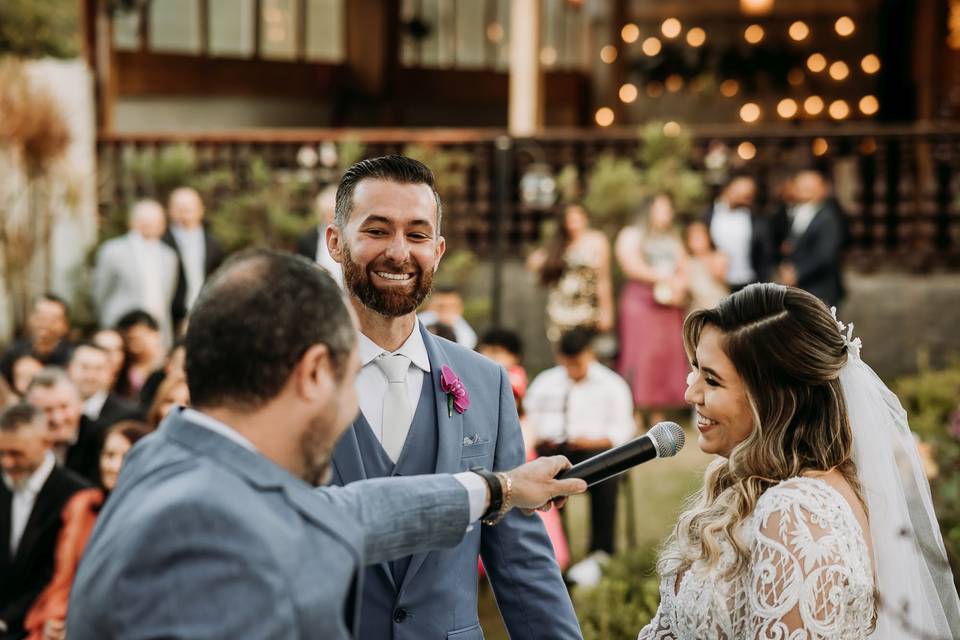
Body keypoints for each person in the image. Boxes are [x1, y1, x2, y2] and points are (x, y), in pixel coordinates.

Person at [66, 249, 585, 639]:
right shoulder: (211, 537)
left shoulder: (169, 459)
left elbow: (349, 513)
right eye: (350, 377)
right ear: (315, 372)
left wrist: (501, 488)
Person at [326, 156, 582, 638]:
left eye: (417, 235)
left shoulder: (487, 383)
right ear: (336, 242)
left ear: (438, 250)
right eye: (377, 231)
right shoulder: (291, 380)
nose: (399, 253)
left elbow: (521, 563)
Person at [638, 283, 960, 639]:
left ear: (773, 399)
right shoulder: (751, 487)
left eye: (712, 381)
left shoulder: (796, 512)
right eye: (695, 370)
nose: (690, 393)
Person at [524, 328, 636, 586]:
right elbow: (529, 420)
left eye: (578, 362)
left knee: (607, 471)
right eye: (568, 362)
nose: (573, 368)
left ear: (590, 355)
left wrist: (589, 441)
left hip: (594, 450)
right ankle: (551, 550)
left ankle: (601, 550)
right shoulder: (546, 382)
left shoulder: (611, 384)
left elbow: (621, 431)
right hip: (553, 449)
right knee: (535, 471)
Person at [23, 420, 150, 640]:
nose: (113, 466)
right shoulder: (82, 505)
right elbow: (63, 576)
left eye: (125, 457)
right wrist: (54, 619)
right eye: (108, 455)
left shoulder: (152, 515)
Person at [0, 403, 89, 640]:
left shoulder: (76, 495)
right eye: (1, 453)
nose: (7, 463)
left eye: (16, 453)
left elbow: (59, 574)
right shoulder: (4, 482)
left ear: (46, 443)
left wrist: (7, 619)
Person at [615, 194, 689, 427]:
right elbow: (631, 265)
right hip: (642, 301)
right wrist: (664, 278)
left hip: (668, 303)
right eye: (663, 208)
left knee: (664, 357)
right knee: (639, 354)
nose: (668, 213)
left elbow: (684, 265)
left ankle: (659, 412)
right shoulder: (631, 234)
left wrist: (679, 285)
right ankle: (634, 411)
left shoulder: (672, 237)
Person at [92, 199, 179, 348]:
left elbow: (168, 295)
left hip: (156, 331)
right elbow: (101, 292)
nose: (150, 225)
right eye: (145, 221)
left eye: (155, 221)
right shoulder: (113, 250)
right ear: (133, 222)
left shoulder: (169, 256)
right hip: (121, 329)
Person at [527, 203, 614, 343]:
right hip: (561, 309)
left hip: (587, 309)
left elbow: (603, 279)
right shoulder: (559, 245)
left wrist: (606, 311)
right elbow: (533, 262)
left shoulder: (596, 241)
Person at [774, 168, 846, 308]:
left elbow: (826, 255)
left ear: (821, 189)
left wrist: (798, 273)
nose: (802, 190)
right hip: (800, 288)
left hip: (820, 289)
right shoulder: (797, 210)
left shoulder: (828, 217)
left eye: (807, 187)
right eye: (799, 186)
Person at [25, 369, 102, 484]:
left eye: (64, 407)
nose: (57, 418)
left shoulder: (102, 438)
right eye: (47, 410)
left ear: (80, 404)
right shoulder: (20, 442)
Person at [163, 186, 225, 329]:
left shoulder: (213, 244)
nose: (184, 213)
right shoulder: (162, 243)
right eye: (179, 208)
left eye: (189, 208)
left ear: (201, 209)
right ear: (170, 211)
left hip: (207, 313)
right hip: (171, 317)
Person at [703, 173, 773, 291]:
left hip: (748, 284)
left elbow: (765, 255)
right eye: (740, 190)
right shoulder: (707, 216)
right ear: (727, 188)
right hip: (714, 284)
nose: (744, 195)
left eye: (749, 192)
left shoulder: (757, 219)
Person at [66, 343, 142, 434]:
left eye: (99, 369)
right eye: (84, 367)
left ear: (111, 373)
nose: (91, 376)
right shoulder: (54, 408)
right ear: (69, 369)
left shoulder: (128, 415)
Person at [0, 295, 74, 382]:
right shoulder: (14, 352)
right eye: (40, 316)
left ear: (65, 325)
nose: (45, 323)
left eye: (52, 319)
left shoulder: (72, 356)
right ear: (31, 319)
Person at [296, 184, 344, 288]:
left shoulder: (350, 236)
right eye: (327, 214)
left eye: (334, 213)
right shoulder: (308, 239)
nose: (331, 218)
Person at [113, 310, 166, 401]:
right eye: (130, 339)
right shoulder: (122, 368)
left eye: (139, 338)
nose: (134, 344)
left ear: (155, 333)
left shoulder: (170, 362)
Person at [684, 221, 729, 312]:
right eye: (693, 238)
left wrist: (704, 257)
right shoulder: (688, 262)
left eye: (700, 237)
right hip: (698, 312)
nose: (697, 242)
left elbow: (718, 273)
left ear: (708, 238)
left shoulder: (718, 256)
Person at [476, 328, 527, 400]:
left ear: (514, 356)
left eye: (495, 351)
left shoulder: (515, 378)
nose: (486, 356)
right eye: (483, 351)